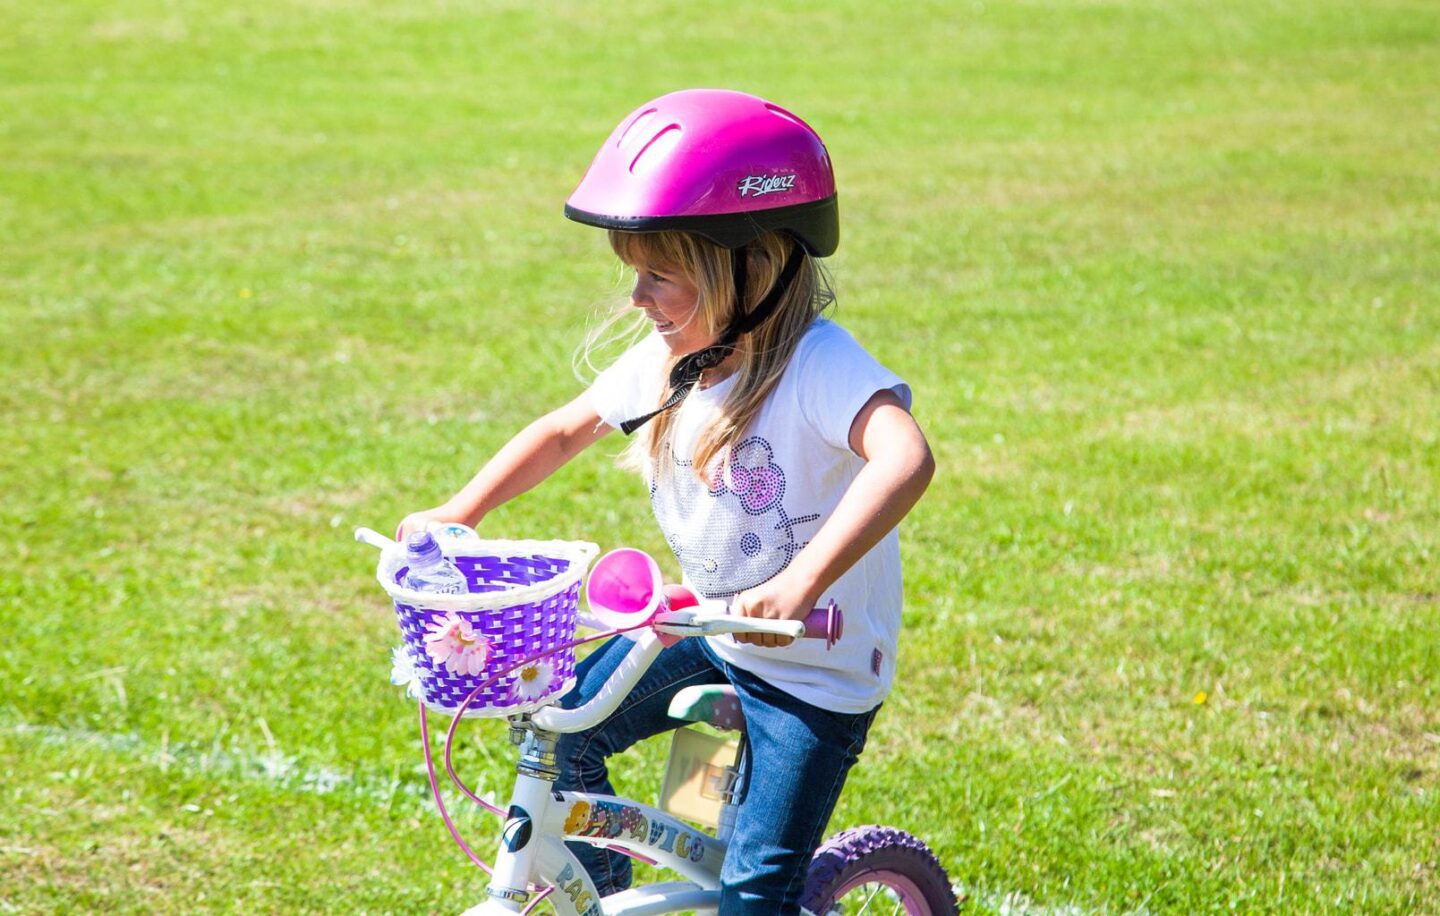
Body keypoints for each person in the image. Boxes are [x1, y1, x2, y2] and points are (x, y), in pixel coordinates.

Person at [398, 88, 934, 914]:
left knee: (752, 893)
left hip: (812, 670)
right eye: (633, 274)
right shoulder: (674, 359)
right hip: (711, 631)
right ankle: (602, 895)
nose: (637, 299)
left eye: (660, 276)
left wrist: (798, 586)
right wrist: (460, 510)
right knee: (563, 732)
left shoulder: (819, 366)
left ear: (752, 269)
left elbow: (905, 459)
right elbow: (563, 431)